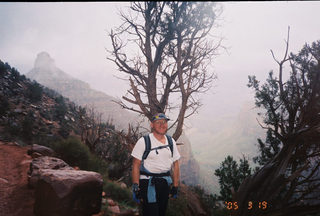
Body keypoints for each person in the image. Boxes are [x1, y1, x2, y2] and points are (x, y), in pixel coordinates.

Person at [131, 113, 181, 216]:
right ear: (152, 125)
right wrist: (136, 185)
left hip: (165, 183)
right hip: (148, 183)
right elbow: (136, 164)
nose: (162, 125)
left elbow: (176, 164)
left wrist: (175, 186)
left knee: (161, 212)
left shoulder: (171, 141)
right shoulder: (144, 141)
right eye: (158, 122)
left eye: (164, 122)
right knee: (151, 212)